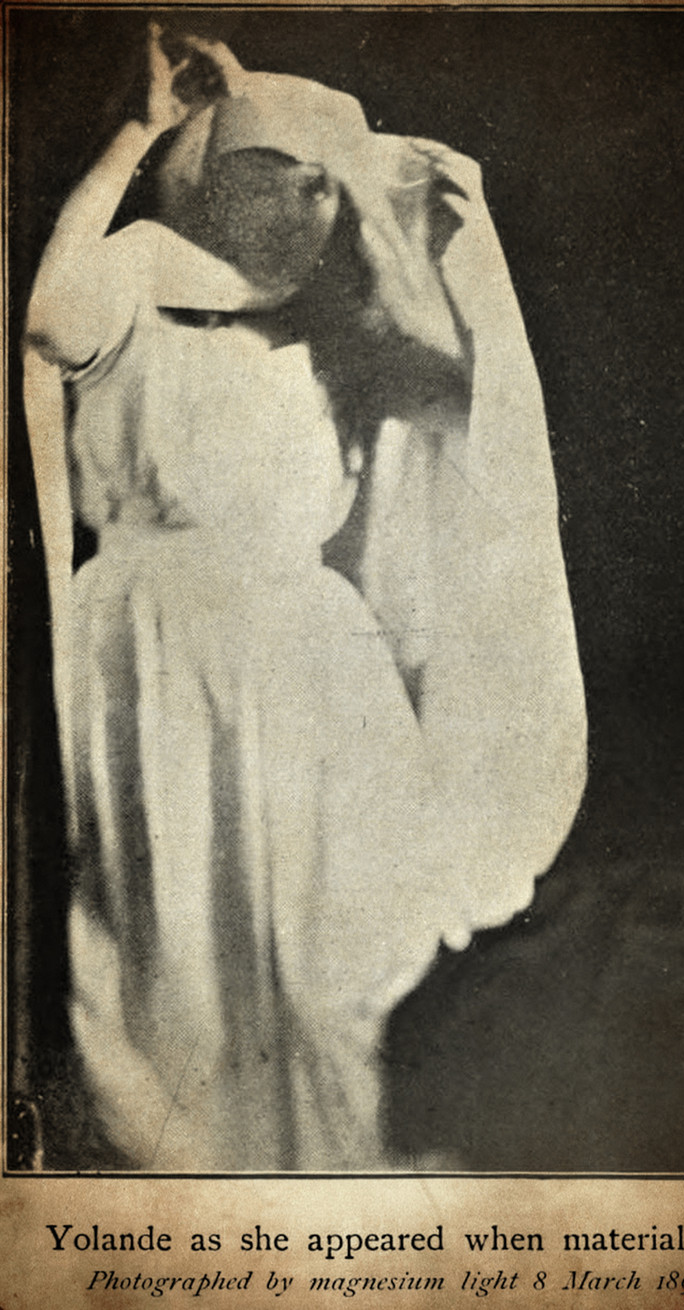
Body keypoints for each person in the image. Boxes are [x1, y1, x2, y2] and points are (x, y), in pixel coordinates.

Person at [24, 26, 586, 1171]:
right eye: (279, 175)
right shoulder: (140, 270)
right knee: (181, 965)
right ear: (215, 177)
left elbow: (475, 406)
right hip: (160, 650)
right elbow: (46, 319)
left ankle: (330, 1190)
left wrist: (417, 215)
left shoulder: (339, 331)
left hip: (313, 666)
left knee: (335, 960)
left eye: (327, 186)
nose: (308, 206)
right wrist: (137, 132)